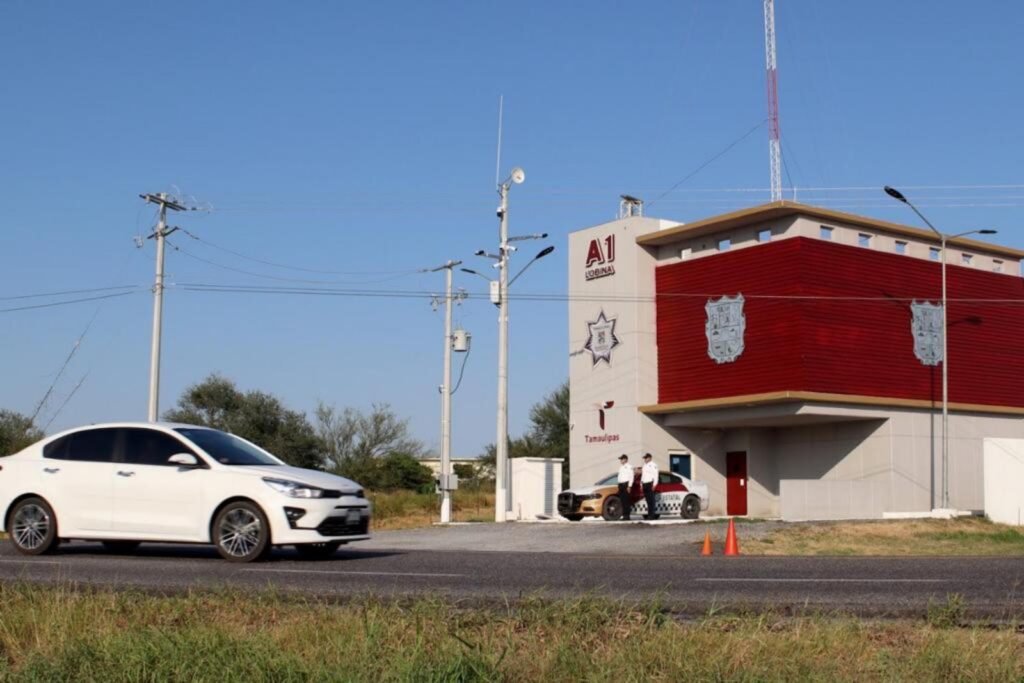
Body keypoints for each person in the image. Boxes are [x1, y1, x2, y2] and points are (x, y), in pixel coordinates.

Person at [641, 452, 660, 520]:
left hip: (650, 483)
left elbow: (656, 476)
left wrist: (654, 485)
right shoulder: (644, 466)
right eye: (644, 458)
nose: (645, 459)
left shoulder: (653, 465)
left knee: (651, 500)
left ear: (650, 458)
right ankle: (649, 515)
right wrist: (641, 484)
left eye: (646, 458)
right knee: (648, 501)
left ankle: (652, 515)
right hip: (645, 484)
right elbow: (643, 476)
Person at [616, 454, 633, 521]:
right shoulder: (621, 467)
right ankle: (624, 515)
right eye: (620, 459)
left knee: (626, 501)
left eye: (621, 459)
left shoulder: (629, 467)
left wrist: (629, 486)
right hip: (621, 485)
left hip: (626, 485)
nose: (620, 460)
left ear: (625, 459)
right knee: (622, 501)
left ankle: (627, 516)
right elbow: (619, 477)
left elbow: (631, 477)